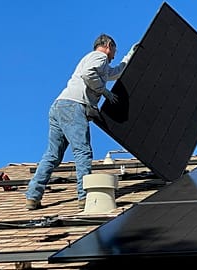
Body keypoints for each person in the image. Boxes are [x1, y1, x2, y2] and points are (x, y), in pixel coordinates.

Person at [25, 33, 138, 210]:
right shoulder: (99, 56)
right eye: (115, 50)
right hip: (73, 106)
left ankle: (32, 196)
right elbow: (88, 74)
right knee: (82, 151)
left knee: (52, 155)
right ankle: (84, 197)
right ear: (108, 45)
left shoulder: (97, 61)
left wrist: (130, 55)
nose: (115, 54)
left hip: (59, 106)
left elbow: (115, 73)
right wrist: (104, 92)